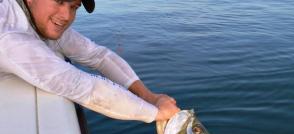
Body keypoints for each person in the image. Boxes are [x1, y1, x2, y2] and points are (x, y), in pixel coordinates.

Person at [0, 0, 180, 123]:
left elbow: (99, 56)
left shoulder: (34, 19)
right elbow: (82, 86)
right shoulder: (9, 35)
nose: (66, 16)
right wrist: (157, 114)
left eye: (74, 7)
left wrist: (148, 96)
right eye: (60, 1)